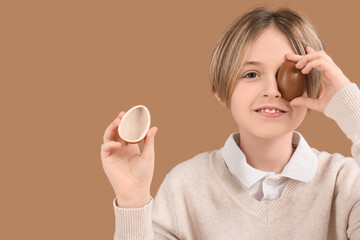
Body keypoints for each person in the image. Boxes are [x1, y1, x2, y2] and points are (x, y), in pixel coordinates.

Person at [101, 6, 360, 239]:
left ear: (311, 86)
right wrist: (133, 199)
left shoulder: (346, 181)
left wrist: (350, 108)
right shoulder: (185, 187)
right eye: (251, 74)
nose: (272, 90)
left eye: (289, 73)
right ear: (220, 90)